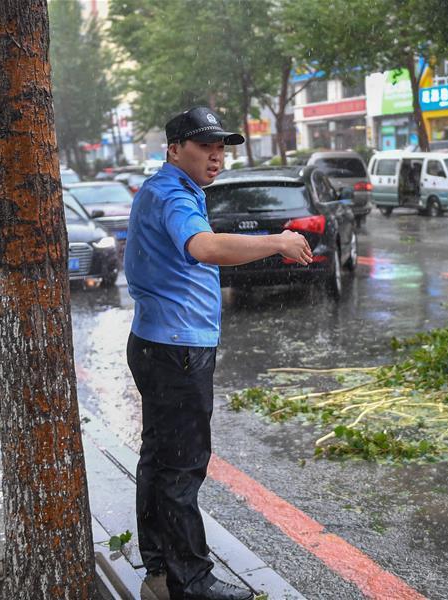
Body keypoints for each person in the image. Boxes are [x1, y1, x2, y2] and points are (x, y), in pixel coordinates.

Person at [124, 106, 312, 600]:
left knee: (158, 459)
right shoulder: (172, 195)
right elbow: (204, 248)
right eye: (205, 146)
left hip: (156, 342)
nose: (216, 156)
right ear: (174, 149)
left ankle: (161, 567)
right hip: (178, 348)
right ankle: (193, 582)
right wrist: (277, 242)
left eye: (221, 147)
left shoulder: (166, 190)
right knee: (183, 467)